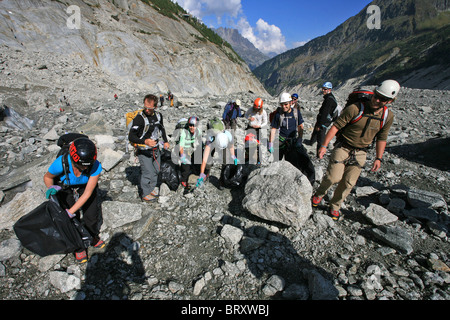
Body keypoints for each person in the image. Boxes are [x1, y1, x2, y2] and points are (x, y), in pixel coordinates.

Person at [312, 80, 400, 221]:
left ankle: (335, 206)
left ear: (389, 101)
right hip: (343, 146)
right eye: (376, 95)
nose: (376, 100)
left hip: (361, 152)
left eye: (382, 99)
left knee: (348, 183)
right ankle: (319, 194)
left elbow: (382, 138)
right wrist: (323, 146)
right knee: (333, 177)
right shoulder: (355, 108)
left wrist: (379, 158)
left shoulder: (387, 117)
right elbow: (336, 126)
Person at [43, 137, 104, 263]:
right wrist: (51, 188)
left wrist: (70, 211)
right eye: (79, 166)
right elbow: (48, 177)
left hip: (85, 187)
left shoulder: (95, 166)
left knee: (91, 215)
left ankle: (92, 236)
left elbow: (87, 193)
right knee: (71, 220)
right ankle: (78, 246)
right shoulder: (61, 163)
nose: (83, 170)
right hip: (65, 187)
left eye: (86, 167)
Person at [128, 94, 170, 202]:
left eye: (149, 108)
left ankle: (151, 189)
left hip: (155, 149)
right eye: (145, 107)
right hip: (143, 150)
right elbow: (131, 136)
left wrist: (165, 141)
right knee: (148, 172)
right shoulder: (139, 118)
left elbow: (162, 129)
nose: (146, 110)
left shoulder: (159, 116)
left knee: (156, 170)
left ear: (155, 107)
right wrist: (145, 141)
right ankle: (145, 193)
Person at [196, 118, 238, 190]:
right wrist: (201, 173)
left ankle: (222, 181)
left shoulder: (228, 136)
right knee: (208, 161)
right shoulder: (210, 140)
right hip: (213, 142)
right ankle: (206, 173)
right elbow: (204, 160)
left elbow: (231, 147)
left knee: (225, 160)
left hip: (222, 142)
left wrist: (233, 156)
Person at [268, 92, 304, 161]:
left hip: (292, 140)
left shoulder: (296, 113)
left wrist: (299, 139)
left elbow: (300, 126)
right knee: (277, 160)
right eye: (282, 104)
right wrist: (270, 143)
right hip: (281, 140)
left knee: (291, 161)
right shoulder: (278, 114)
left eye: (286, 104)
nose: (284, 106)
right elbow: (273, 129)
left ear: (290, 103)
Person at [307, 81, 338, 157]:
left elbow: (325, 113)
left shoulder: (329, 100)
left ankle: (319, 154)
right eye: (323, 89)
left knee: (320, 137)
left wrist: (320, 124)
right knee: (316, 133)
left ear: (329, 90)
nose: (323, 90)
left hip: (323, 122)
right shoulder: (330, 98)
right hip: (325, 121)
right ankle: (311, 143)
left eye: (325, 89)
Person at [178, 116, 202, 190]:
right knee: (186, 167)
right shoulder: (184, 133)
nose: (192, 127)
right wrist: (182, 156)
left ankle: (196, 172)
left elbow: (199, 142)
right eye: (190, 125)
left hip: (193, 148)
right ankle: (184, 180)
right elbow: (181, 146)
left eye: (194, 126)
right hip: (185, 150)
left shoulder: (198, 132)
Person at [244, 98, 267, 164]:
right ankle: (248, 156)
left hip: (258, 129)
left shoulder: (263, 112)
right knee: (247, 142)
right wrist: (249, 118)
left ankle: (258, 160)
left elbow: (265, 122)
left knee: (258, 144)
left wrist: (260, 126)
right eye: (255, 107)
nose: (256, 109)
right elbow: (246, 115)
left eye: (257, 108)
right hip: (250, 128)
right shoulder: (251, 109)